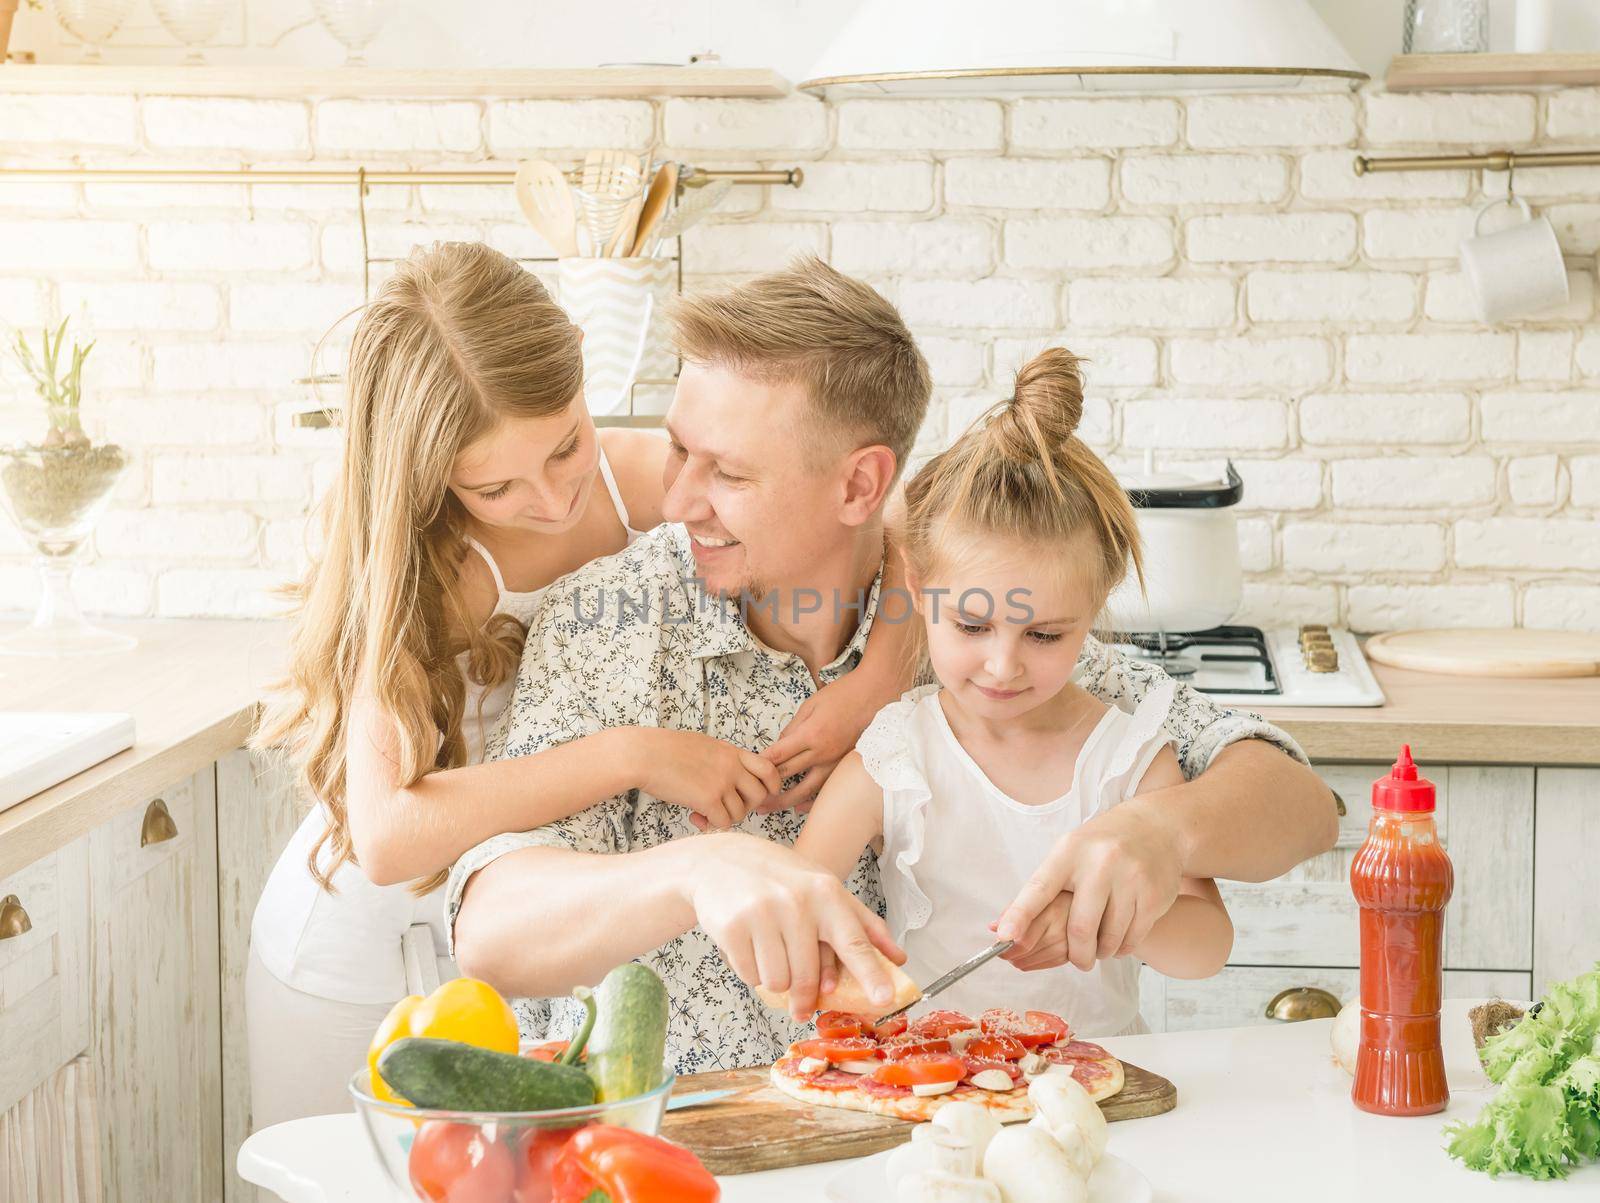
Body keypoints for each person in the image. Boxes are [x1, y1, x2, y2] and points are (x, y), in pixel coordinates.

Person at [448, 257, 1339, 1074]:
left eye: (727, 473)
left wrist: (1166, 832)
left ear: (861, 486)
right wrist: (698, 870)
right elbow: (492, 927)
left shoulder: (982, 624)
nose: (676, 500)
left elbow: (1298, 803)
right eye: (679, 450)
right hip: (676, 1144)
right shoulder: (614, 623)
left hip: (924, 1144)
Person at [245, 243, 914, 1126]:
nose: (556, 498)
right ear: (433, 474)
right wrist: (631, 755)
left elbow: (888, 505)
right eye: (496, 484)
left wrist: (879, 678)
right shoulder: (423, 569)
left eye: (565, 446)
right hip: (363, 932)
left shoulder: (635, 474)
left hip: (525, 909)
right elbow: (389, 837)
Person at [793, 347, 1233, 1035]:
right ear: (917, 585)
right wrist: (834, 961)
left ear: (1095, 608)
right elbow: (793, 903)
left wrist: (1114, 914)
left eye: (1046, 636)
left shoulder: (1129, 759)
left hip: (1099, 1090)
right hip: (929, 1090)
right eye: (971, 623)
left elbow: (1207, 948)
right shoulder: (899, 754)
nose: (1002, 666)